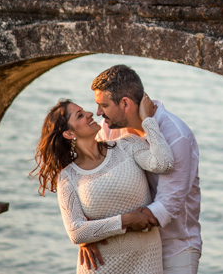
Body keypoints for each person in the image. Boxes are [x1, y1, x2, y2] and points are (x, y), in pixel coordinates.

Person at [81, 65, 203, 274]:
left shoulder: (176, 136)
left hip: (173, 249)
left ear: (125, 103)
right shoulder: (108, 130)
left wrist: (101, 229)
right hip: (127, 246)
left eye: (104, 105)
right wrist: (86, 232)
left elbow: (166, 205)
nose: (99, 113)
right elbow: (87, 178)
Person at [33, 95, 173, 274]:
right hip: (100, 267)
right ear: (69, 134)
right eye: (80, 115)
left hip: (146, 261)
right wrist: (127, 220)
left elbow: (165, 163)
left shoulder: (128, 145)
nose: (90, 113)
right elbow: (76, 231)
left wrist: (148, 121)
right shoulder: (68, 177)